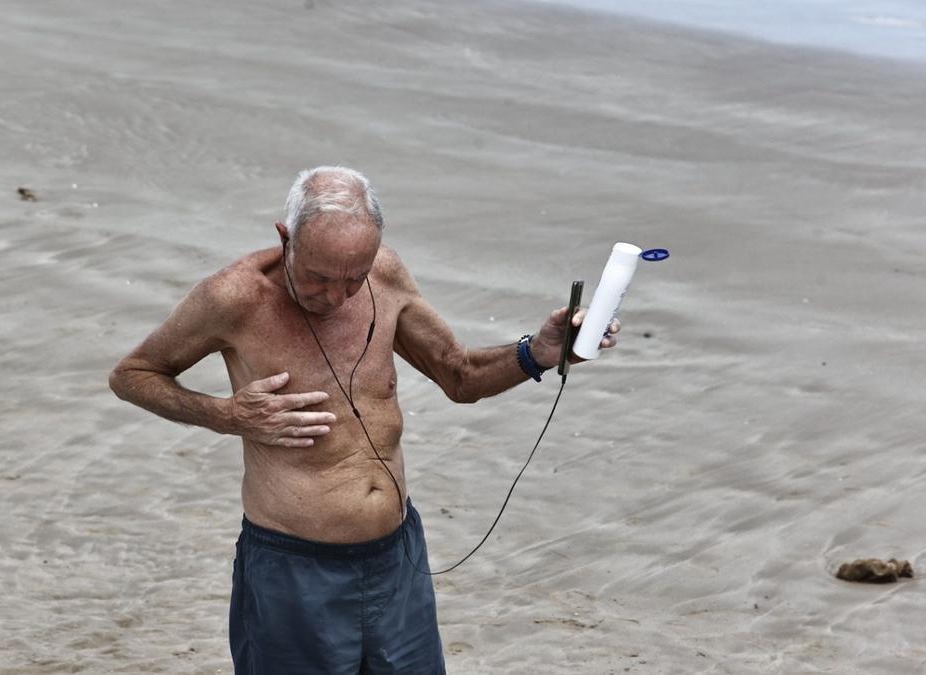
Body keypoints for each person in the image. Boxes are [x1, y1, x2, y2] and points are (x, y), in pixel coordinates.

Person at [109, 166, 621, 674]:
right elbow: (133, 374)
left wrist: (540, 352)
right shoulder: (234, 298)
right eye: (319, 277)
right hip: (293, 568)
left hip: (398, 560)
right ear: (285, 238)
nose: (336, 297)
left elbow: (460, 375)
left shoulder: (386, 275)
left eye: (354, 278)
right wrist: (227, 415)